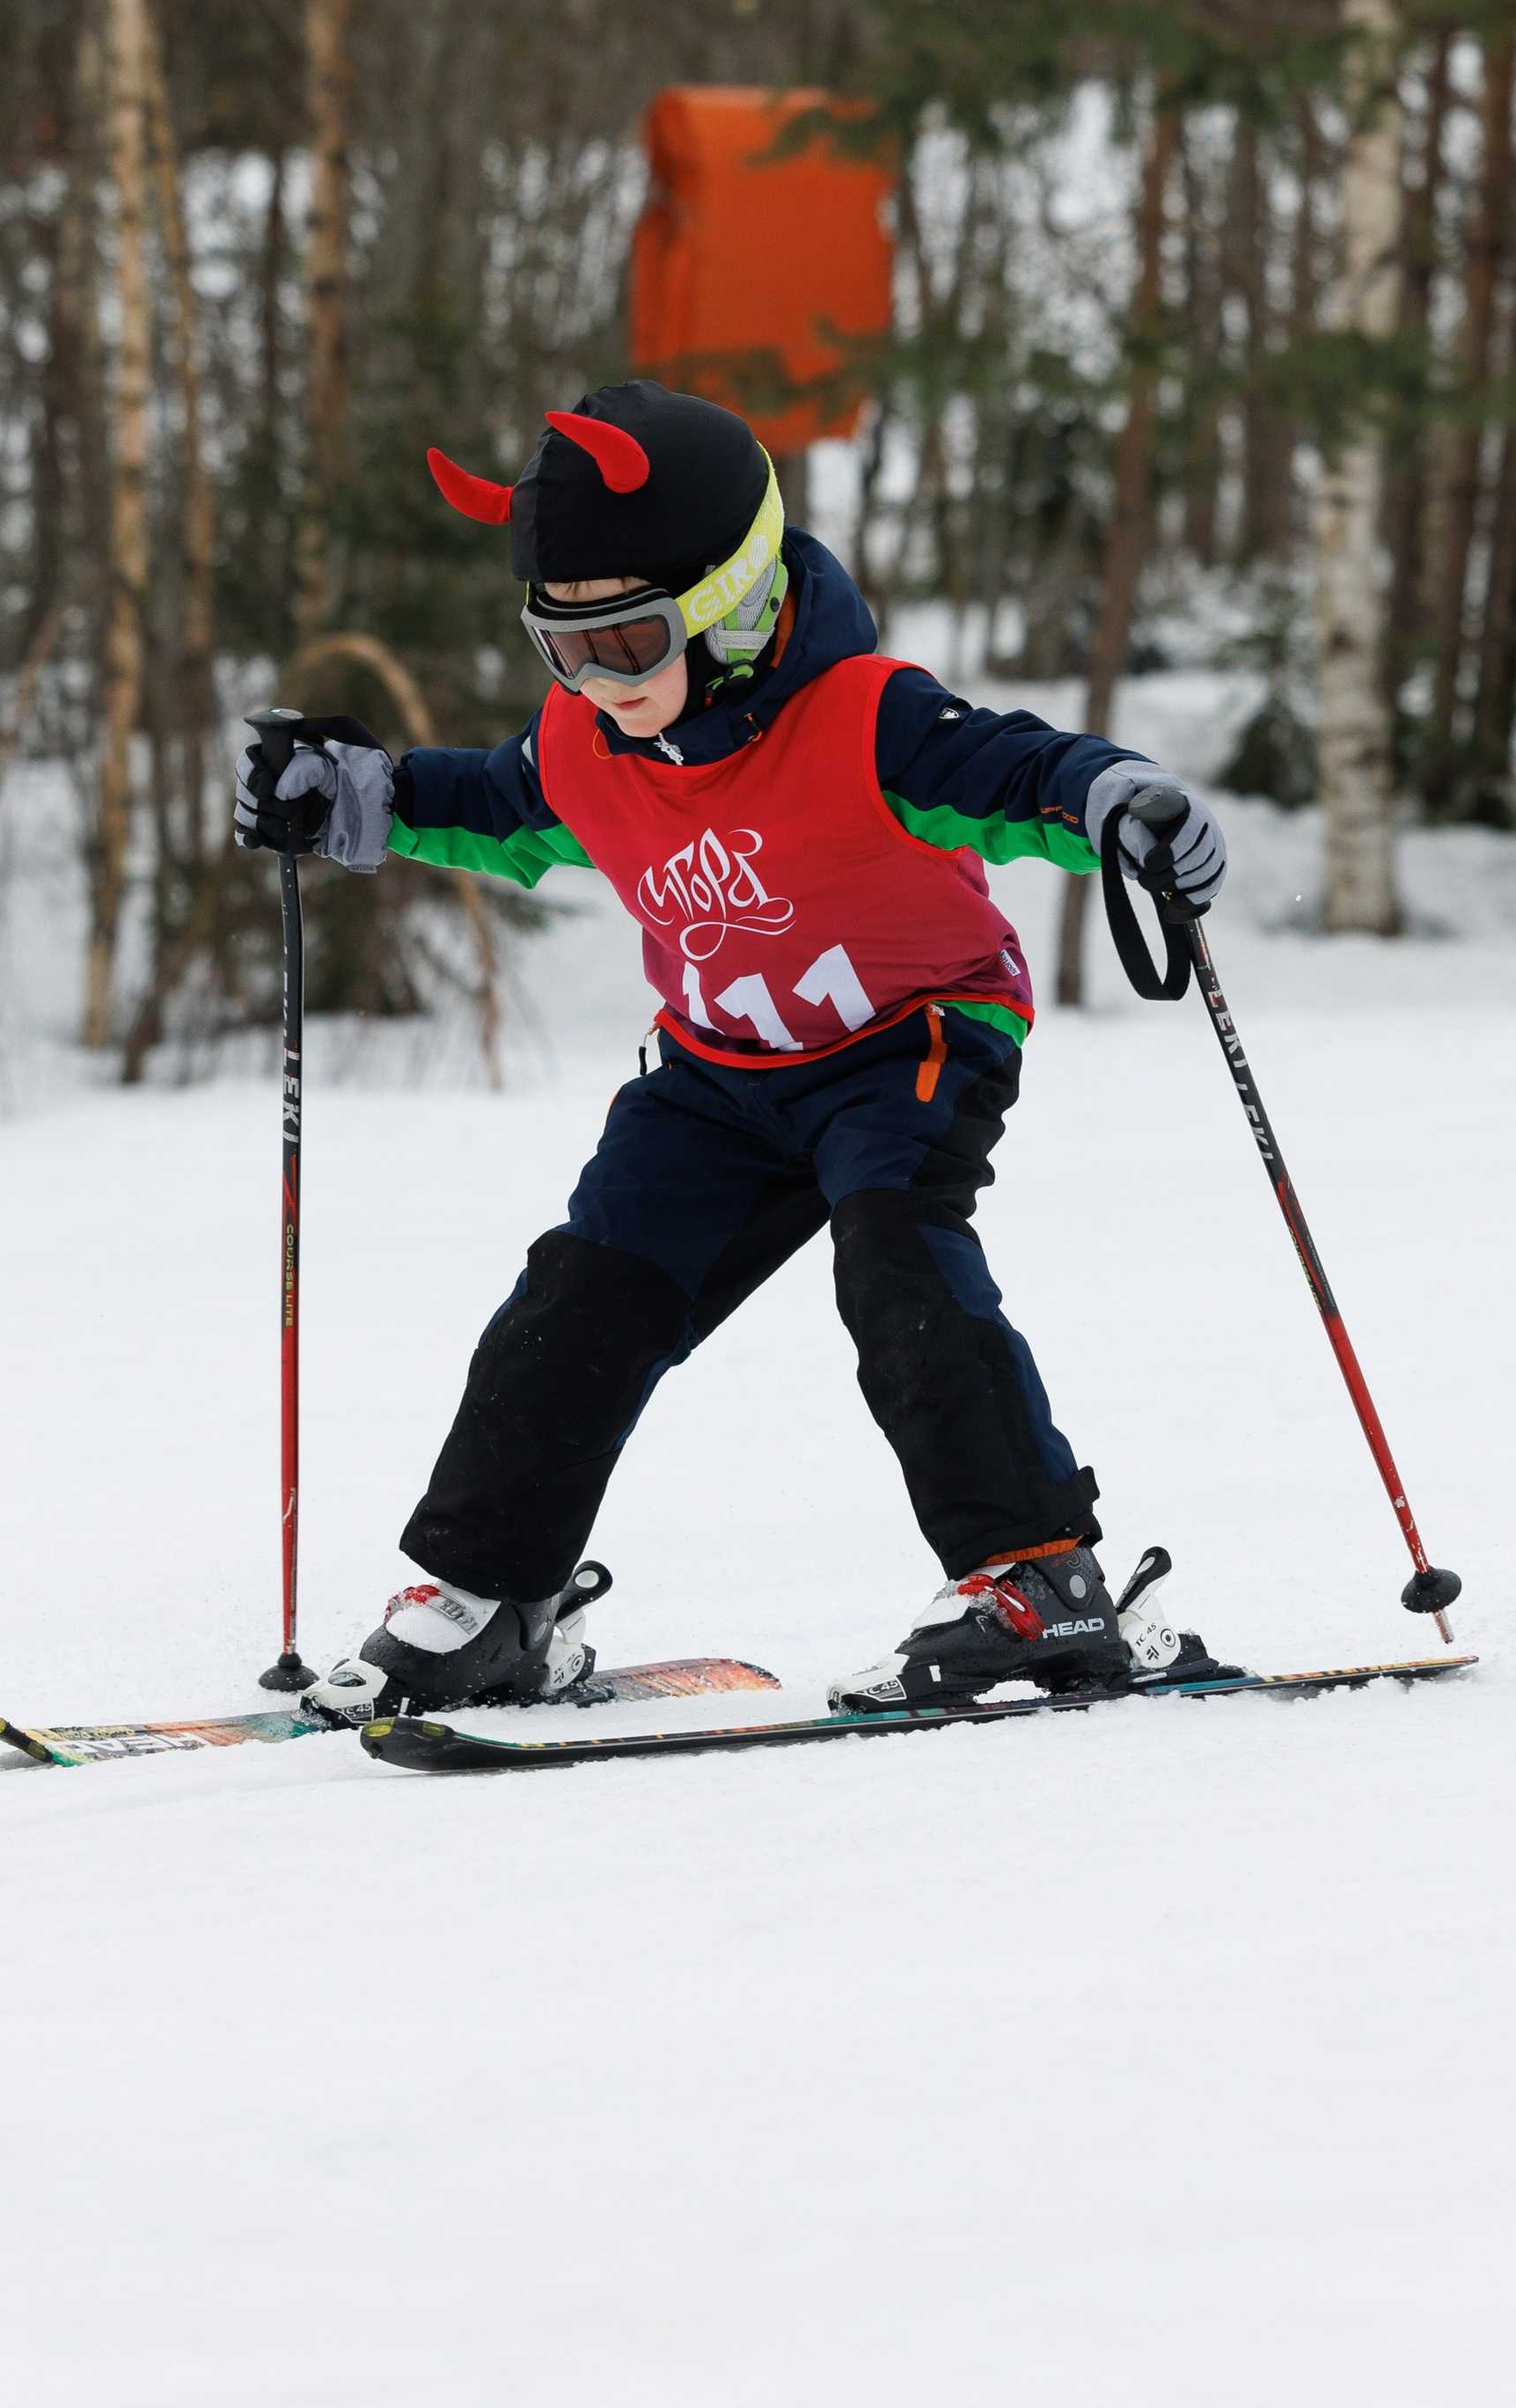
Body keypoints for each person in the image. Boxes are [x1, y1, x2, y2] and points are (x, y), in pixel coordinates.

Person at [233, 381, 1233, 1717]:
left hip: (910, 1037)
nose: (598, 685)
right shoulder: (594, 742)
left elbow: (1016, 773)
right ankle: (490, 1599)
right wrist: (353, 796)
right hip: (716, 1075)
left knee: (898, 1259)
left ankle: (1038, 1578)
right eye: (563, 648)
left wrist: (1116, 800)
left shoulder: (865, 716)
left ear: (738, 598)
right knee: (578, 1300)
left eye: (632, 642)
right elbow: (490, 802)